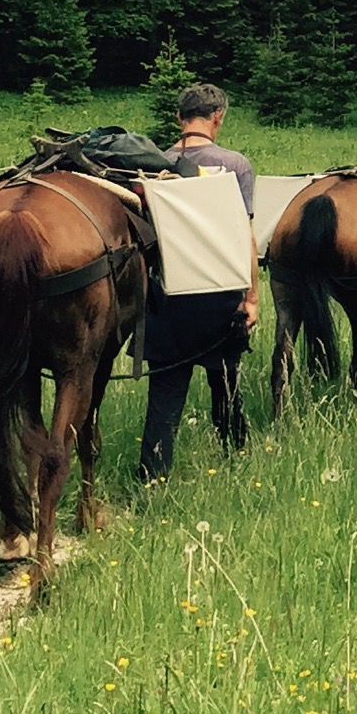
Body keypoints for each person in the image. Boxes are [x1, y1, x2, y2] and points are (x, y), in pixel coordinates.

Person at [138, 81, 259, 483]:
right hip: (219, 301)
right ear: (217, 118)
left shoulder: (154, 164)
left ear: (179, 119)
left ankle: (153, 479)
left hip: (167, 300)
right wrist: (253, 297)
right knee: (227, 386)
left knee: (164, 401)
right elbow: (245, 234)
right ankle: (236, 462)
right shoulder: (235, 164)